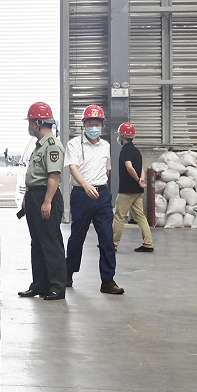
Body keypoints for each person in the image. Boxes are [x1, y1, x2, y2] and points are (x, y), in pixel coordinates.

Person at [65, 104, 124, 295]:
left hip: (102, 196)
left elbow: (107, 169)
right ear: (84, 124)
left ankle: (108, 280)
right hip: (81, 195)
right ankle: (68, 273)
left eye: (97, 123)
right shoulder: (74, 144)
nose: (93, 127)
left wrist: (99, 186)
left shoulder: (105, 145)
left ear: (102, 125)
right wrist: (86, 185)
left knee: (107, 238)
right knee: (77, 237)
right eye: (90, 123)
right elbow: (72, 167)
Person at [17, 102, 68, 301]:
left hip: (46, 196)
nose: (29, 126)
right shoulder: (39, 145)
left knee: (51, 243)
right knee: (37, 243)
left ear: (38, 123)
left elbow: (53, 176)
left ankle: (57, 286)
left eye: (31, 122)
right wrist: (27, 197)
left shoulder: (52, 145)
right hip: (34, 196)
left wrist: (47, 202)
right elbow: (35, 176)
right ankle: (39, 284)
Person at [113, 122, 154, 253]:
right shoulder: (136, 151)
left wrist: (137, 179)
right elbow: (141, 169)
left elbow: (129, 167)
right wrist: (141, 180)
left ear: (122, 136)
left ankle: (113, 244)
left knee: (119, 216)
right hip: (137, 190)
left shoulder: (125, 151)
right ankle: (148, 243)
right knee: (140, 216)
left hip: (127, 190)